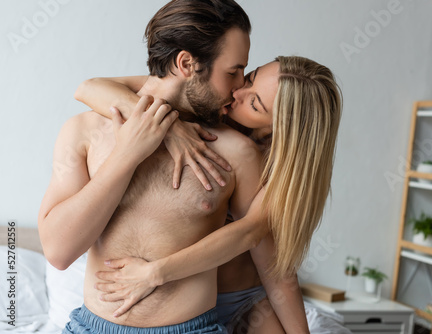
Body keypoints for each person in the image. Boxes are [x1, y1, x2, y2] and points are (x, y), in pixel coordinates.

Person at [37, 1, 277, 333]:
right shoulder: (84, 131)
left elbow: (268, 257)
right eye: (232, 72)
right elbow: (59, 252)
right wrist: (127, 155)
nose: (238, 88)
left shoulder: (236, 152)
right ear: (186, 64)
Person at [75, 55, 342, 332]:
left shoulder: (276, 168)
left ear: (279, 130)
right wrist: (171, 128)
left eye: (254, 103)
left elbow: (262, 250)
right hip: (195, 307)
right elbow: (90, 88)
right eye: (249, 79)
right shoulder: (205, 98)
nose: (237, 93)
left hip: (247, 301)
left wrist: (155, 273)